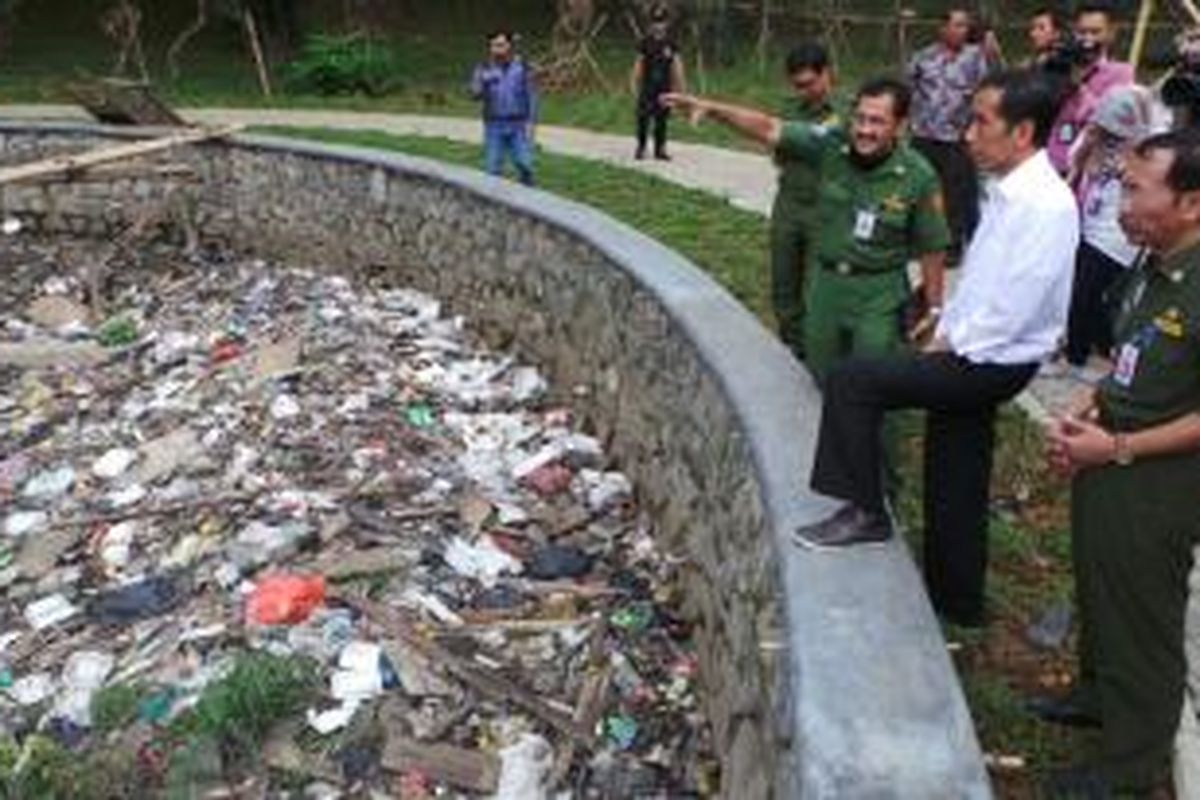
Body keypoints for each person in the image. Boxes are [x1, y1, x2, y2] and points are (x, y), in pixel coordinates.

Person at [793, 70, 1079, 632]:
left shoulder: (1044, 206)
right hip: (980, 352)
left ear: (1022, 133)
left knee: (855, 380)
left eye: (980, 122)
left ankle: (866, 511)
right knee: (956, 470)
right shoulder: (1011, 190)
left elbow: (1012, 310)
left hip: (990, 363)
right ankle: (956, 599)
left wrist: (944, 349)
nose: (968, 134)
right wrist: (942, 317)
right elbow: (981, 282)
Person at [1041, 128, 1200, 797]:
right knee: (1101, 579)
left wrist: (1121, 447)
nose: (1120, 204)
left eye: (1136, 189)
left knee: (1143, 611)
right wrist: (1091, 402)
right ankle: (1099, 695)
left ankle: (1131, 761)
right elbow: (1132, 354)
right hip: (1111, 450)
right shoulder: (1151, 261)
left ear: (1190, 202)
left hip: (1160, 477)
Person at [664, 79, 949, 382]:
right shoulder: (830, 145)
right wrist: (712, 109)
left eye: (877, 122)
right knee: (821, 376)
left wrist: (933, 309)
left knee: (874, 379)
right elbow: (770, 128)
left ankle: (877, 430)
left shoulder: (918, 176)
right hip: (826, 287)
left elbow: (933, 246)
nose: (864, 130)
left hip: (878, 293)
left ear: (901, 125)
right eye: (860, 119)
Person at [1064, 86, 1154, 374]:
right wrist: (1090, 140)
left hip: (1116, 239)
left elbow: (1135, 182)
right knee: (1093, 296)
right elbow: (1074, 162)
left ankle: (1075, 357)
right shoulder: (1099, 145)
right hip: (1092, 228)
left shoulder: (1145, 152)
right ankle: (1105, 349)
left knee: (1083, 294)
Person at [769, 42, 838, 358]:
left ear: (827, 74)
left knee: (817, 285)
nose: (804, 91)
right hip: (789, 204)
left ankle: (816, 348)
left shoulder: (846, 111)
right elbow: (779, 153)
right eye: (798, 86)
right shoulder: (788, 110)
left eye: (810, 83)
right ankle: (791, 343)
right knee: (783, 280)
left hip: (825, 210)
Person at [907, 7, 992, 262]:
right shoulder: (923, 57)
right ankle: (917, 242)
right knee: (920, 190)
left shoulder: (976, 58)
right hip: (924, 135)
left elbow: (984, 94)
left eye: (965, 26)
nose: (961, 31)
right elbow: (908, 90)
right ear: (942, 28)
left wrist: (975, 130)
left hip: (956, 137)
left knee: (955, 194)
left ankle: (952, 247)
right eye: (956, 25)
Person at [1047, 1, 1135, 174]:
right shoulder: (1060, 66)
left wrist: (1078, 86)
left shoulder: (1121, 73)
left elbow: (1110, 120)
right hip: (1051, 164)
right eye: (1082, 32)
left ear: (1111, 33)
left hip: (1086, 171)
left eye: (1095, 32)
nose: (1088, 39)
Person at [470, 30, 538, 185]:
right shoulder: (483, 67)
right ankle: (492, 200)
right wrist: (483, 83)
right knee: (492, 168)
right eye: (493, 45)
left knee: (525, 165)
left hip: (518, 124)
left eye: (501, 45)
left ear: (509, 46)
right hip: (494, 124)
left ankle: (529, 196)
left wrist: (531, 125)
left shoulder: (522, 67)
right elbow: (474, 94)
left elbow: (532, 96)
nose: (497, 49)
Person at [630, 11, 685, 160]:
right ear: (651, 24)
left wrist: (680, 90)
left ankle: (660, 150)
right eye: (655, 22)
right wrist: (634, 84)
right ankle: (641, 148)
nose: (658, 25)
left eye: (661, 21)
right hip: (647, 87)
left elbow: (677, 66)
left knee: (662, 120)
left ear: (666, 24)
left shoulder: (671, 43)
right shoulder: (645, 42)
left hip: (664, 88)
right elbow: (638, 64)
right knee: (643, 118)